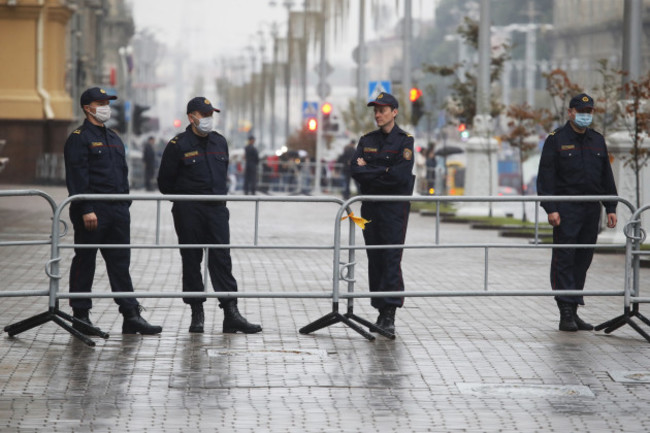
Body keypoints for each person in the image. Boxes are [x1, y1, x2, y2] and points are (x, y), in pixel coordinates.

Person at [157, 96, 262, 334]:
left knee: (222, 259)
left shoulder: (219, 142)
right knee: (192, 260)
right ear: (191, 117)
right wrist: (187, 198)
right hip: (189, 210)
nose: (208, 120)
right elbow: (165, 183)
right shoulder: (178, 145)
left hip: (216, 210)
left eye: (210, 115)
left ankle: (231, 313)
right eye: (204, 115)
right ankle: (197, 313)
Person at [63, 87, 162, 335]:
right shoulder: (79, 137)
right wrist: (85, 208)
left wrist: (124, 204)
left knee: (120, 264)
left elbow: (122, 174)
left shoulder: (114, 138)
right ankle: (81, 315)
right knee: (85, 261)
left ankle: (130, 315)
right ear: (87, 107)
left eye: (107, 102)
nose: (106, 106)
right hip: (93, 211)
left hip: (117, 211)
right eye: (100, 102)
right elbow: (77, 176)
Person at [537, 93, 618, 332]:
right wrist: (551, 208)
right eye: (581, 111)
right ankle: (565, 311)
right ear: (570, 112)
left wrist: (611, 207)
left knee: (583, 259)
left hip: (591, 209)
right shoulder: (557, 139)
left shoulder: (597, 140)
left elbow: (606, 176)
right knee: (565, 258)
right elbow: (546, 177)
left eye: (589, 112)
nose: (586, 115)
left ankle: (574, 309)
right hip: (566, 209)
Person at [350, 92, 415, 335]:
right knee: (375, 258)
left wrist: (373, 171)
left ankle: (390, 312)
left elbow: (400, 177)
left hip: (394, 209)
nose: (378, 114)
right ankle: (379, 308)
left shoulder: (404, 141)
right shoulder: (367, 139)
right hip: (371, 207)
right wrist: (384, 170)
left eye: (383, 110)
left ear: (394, 112)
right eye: (375, 110)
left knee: (390, 257)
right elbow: (355, 170)